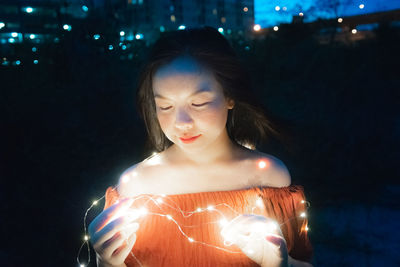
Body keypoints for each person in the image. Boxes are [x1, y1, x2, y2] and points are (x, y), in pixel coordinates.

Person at [88, 27, 313, 267]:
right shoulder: (135, 186)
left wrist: (279, 264)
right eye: (165, 107)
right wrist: (107, 263)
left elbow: (304, 261)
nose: (182, 122)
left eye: (199, 103)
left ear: (230, 96)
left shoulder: (267, 178)